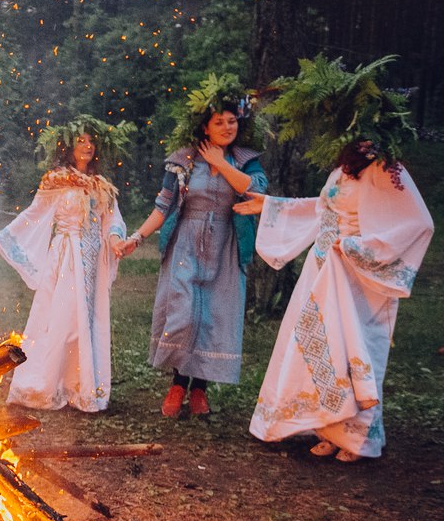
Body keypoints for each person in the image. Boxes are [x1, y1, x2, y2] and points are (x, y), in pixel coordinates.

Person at [235, 55, 433, 462]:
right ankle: (326, 425)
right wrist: (271, 205)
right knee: (318, 347)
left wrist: (361, 247)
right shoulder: (342, 171)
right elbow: (324, 209)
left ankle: (358, 437)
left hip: (358, 278)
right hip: (323, 271)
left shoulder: (385, 168)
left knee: (354, 348)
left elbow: (417, 222)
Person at [117, 74, 268, 417]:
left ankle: (200, 389)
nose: (228, 127)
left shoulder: (245, 160)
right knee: (183, 314)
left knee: (213, 316)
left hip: (226, 245)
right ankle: (176, 384)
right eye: (219, 122)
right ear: (205, 128)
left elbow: (255, 192)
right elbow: (163, 206)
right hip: (186, 242)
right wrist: (137, 237)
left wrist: (219, 162)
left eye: (232, 121)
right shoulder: (182, 160)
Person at [0, 116, 133, 411]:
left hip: (93, 260)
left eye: (91, 141)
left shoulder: (101, 186)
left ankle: (80, 386)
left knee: (87, 321)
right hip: (67, 257)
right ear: (68, 147)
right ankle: (46, 384)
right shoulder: (55, 180)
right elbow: (33, 215)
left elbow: (112, 220)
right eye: (80, 141)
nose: (87, 146)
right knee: (63, 319)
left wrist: (116, 241)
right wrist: (2, 240)